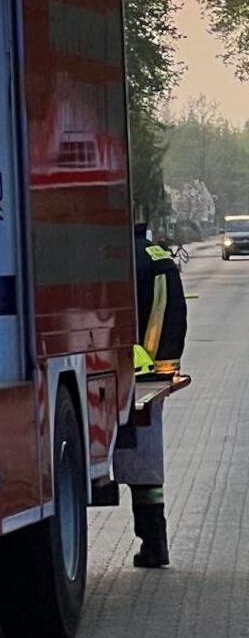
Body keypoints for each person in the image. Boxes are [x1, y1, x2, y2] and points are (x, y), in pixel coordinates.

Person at [114, 223, 187, 568]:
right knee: (146, 461)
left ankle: (153, 545)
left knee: (135, 458)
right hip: (153, 373)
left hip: (125, 371)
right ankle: (154, 542)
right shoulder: (158, 256)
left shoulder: (120, 257)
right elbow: (174, 314)